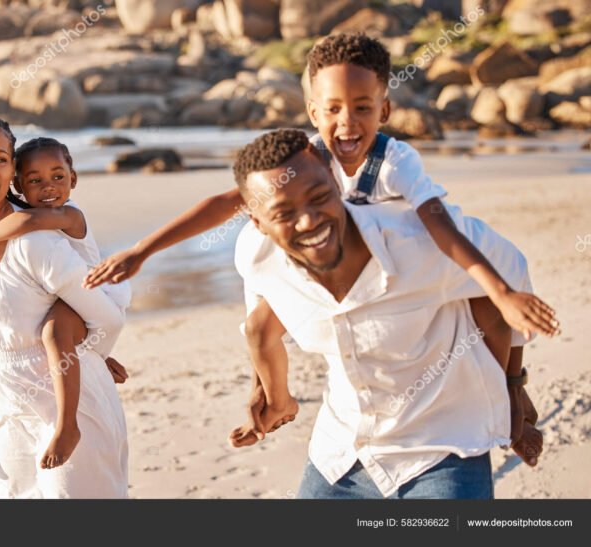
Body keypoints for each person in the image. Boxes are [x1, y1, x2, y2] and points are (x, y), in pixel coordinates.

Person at [83, 34, 558, 464]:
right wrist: (142, 252)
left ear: (385, 110)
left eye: (362, 107)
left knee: (485, 298)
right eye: (332, 109)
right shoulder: (308, 158)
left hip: (414, 253)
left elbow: (435, 219)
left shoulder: (395, 162)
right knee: (257, 326)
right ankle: (272, 398)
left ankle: (513, 389)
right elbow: (227, 202)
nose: (346, 123)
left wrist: (500, 291)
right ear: (313, 112)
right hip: (332, 259)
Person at [228, 128, 543, 499]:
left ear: (334, 181)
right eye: (283, 213)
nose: (309, 220)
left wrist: (513, 389)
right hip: (342, 451)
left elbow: (508, 271)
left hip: (442, 450)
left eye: (318, 197)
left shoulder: (419, 242)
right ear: (257, 222)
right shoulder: (257, 256)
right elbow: (259, 324)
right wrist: (266, 391)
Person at [0, 112, 127, 498]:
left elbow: (107, 316)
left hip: (70, 412)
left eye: (0, 159)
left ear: (11, 173)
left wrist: (94, 354)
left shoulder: (37, 242)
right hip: (7, 417)